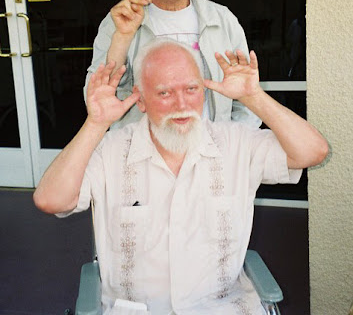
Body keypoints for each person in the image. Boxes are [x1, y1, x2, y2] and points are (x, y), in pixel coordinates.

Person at [34, 38, 329, 315]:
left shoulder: (237, 143)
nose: (182, 105)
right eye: (164, 93)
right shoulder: (110, 151)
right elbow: (50, 200)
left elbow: (313, 152)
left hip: (221, 307)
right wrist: (95, 124)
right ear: (140, 100)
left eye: (191, 89)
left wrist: (255, 97)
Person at [84, 0, 261, 129]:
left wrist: (230, 147)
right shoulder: (118, 22)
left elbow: (246, 100)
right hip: (143, 156)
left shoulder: (222, 20)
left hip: (209, 152)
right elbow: (96, 99)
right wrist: (122, 38)